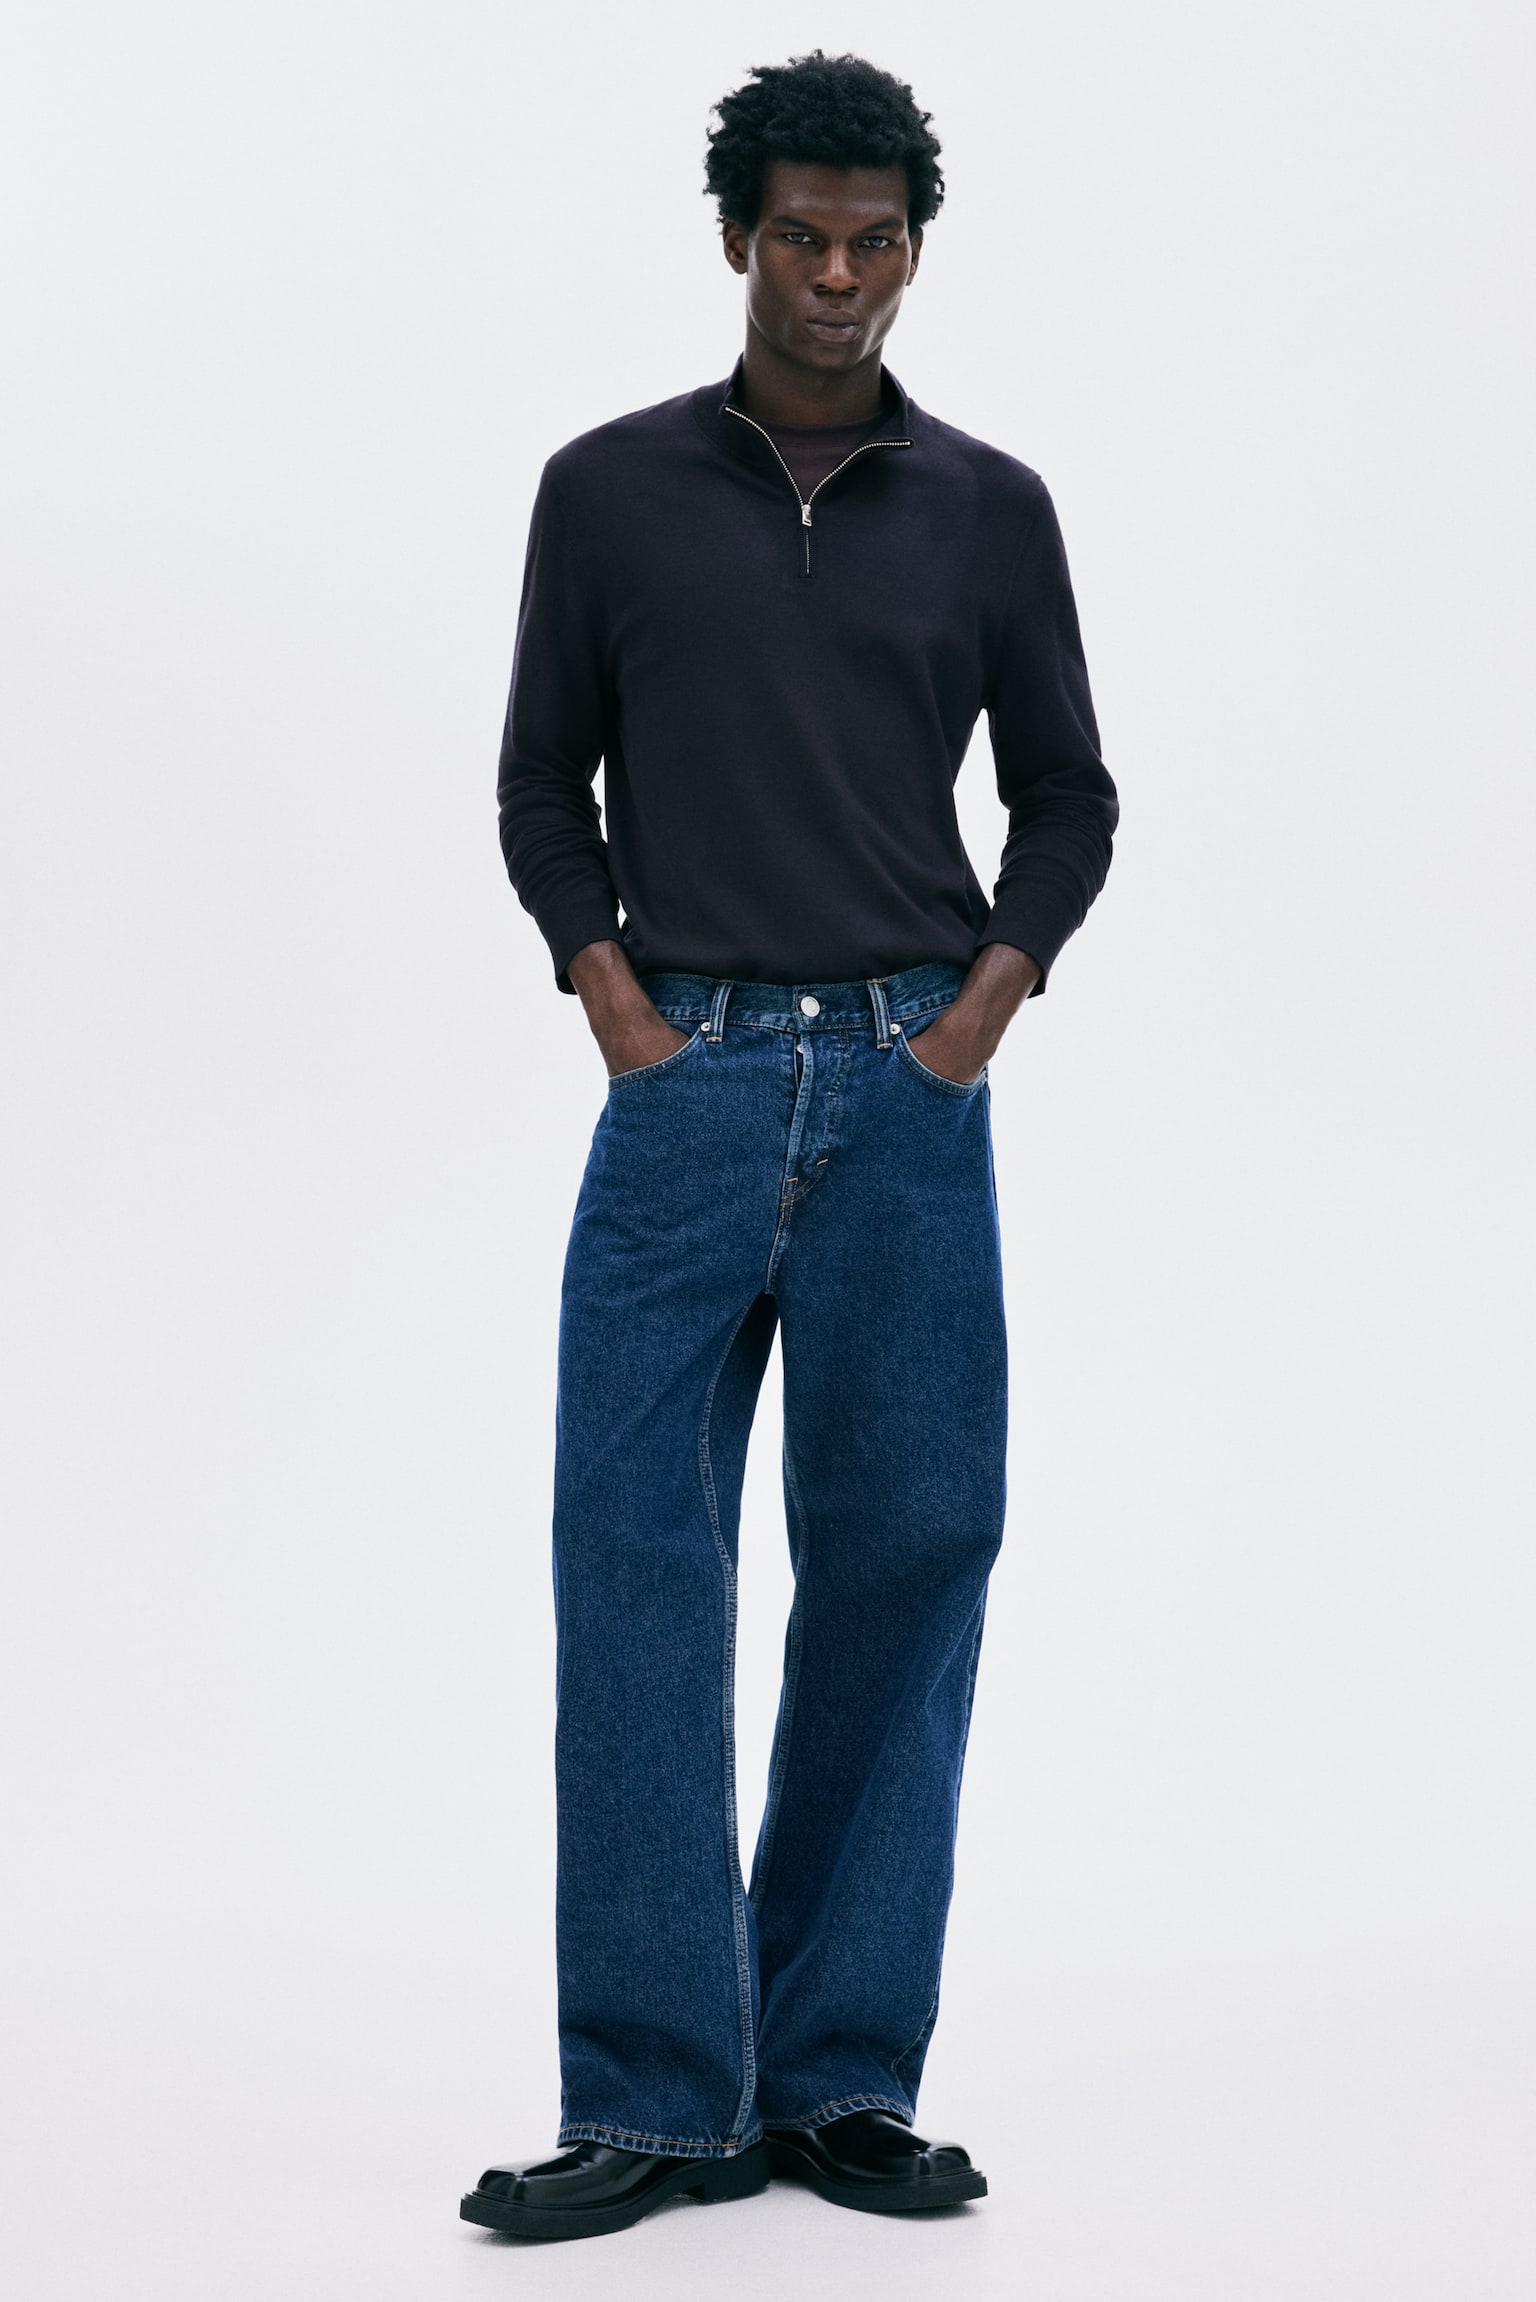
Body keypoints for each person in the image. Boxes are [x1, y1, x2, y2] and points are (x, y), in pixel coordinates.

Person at [461, 50, 1117, 2243]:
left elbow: (1070, 795)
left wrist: (975, 1019)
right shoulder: (607, 491)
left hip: (911, 1091)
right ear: (737, 235)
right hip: (690, 1087)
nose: (839, 276)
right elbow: (541, 783)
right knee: (635, 1565)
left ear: (914, 248)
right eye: (803, 237)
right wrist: (620, 1009)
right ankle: (657, 2097)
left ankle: (838, 2076)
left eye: (876, 241)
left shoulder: (992, 509)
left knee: (907, 1563)